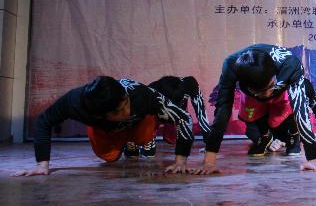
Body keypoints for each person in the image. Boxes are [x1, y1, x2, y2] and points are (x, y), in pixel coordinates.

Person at [13, 75, 208, 177]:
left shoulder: (140, 94)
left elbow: (184, 118)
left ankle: (136, 141)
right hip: (106, 131)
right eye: (118, 111)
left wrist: (181, 160)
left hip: (139, 125)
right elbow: (44, 121)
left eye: (125, 104)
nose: (126, 111)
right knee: (109, 157)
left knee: (148, 122)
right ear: (100, 114)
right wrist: (42, 164)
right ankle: (121, 144)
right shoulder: (75, 103)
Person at [198, 44, 316, 174]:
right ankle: (265, 137)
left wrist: (313, 159)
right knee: (246, 116)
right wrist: (209, 161)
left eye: (271, 86)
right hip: (254, 102)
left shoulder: (290, 65)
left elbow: (301, 110)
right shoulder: (230, 66)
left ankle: (291, 138)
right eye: (262, 91)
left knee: (293, 109)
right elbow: (222, 111)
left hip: (282, 102)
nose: (268, 94)